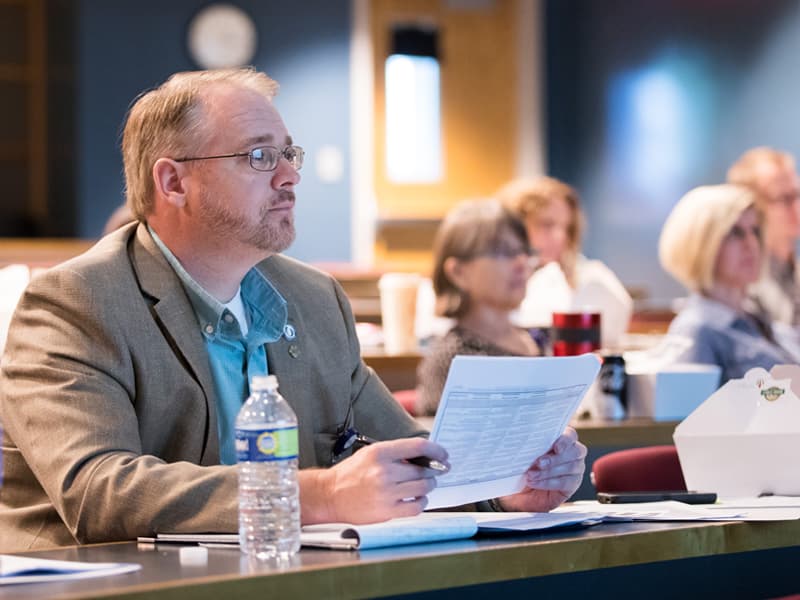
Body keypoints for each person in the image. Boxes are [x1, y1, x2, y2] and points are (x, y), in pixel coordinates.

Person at [0, 68, 587, 551]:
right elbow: (100, 494)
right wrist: (322, 494)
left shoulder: (315, 299)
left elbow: (411, 455)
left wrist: (504, 487)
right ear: (173, 182)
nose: (291, 176)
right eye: (259, 157)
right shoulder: (75, 303)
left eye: (288, 154)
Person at [659, 184, 800, 384]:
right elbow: (693, 414)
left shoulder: (758, 320)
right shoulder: (698, 331)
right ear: (701, 244)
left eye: (755, 231)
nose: (751, 243)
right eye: (735, 233)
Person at [415, 199, 543, 415]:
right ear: (458, 272)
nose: (522, 264)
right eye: (502, 252)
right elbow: (444, 446)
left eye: (524, 251)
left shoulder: (539, 340)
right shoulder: (453, 358)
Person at [496, 176, 632, 348]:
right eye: (546, 224)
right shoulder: (492, 282)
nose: (559, 237)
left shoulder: (589, 279)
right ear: (513, 226)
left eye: (566, 228)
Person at [727, 147, 800, 326]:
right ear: (752, 208)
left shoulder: (792, 269)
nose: (796, 206)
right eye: (784, 198)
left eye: (798, 194)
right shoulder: (745, 284)